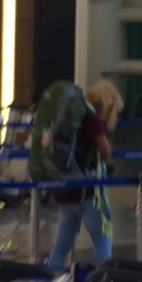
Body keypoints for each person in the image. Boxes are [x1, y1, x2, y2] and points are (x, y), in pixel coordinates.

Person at [48, 79, 123, 268]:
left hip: (64, 188)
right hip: (86, 191)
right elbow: (106, 152)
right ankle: (101, 279)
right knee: (103, 240)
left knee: (63, 243)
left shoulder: (74, 115)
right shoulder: (92, 119)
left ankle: (51, 277)